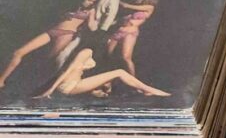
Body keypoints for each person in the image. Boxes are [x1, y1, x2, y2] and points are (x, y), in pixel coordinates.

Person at [0, 0, 98, 88]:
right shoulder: (72, 4)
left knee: (47, 61)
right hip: (52, 30)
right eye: (89, 0)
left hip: (66, 34)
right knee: (18, 52)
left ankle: (32, 87)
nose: (90, 3)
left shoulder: (91, 11)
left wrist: (96, 21)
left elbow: (92, 27)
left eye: (93, 2)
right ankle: (1, 80)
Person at [34, 47, 170, 98]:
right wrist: (50, 90)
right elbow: (67, 71)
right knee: (120, 72)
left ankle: (146, 90)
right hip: (69, 85)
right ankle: (150, 90)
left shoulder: (89, 53)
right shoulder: (85, 51)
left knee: (111, 77)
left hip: (74, 83)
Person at [106, 0, 158, 75]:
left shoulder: (149, 7)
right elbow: (121, 20)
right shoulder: (134, 10)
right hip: (120, 31)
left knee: (126, 57)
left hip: (130, 32)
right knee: (109, 54)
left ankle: (133, 79)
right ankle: (109, 75)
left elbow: (126, 5)